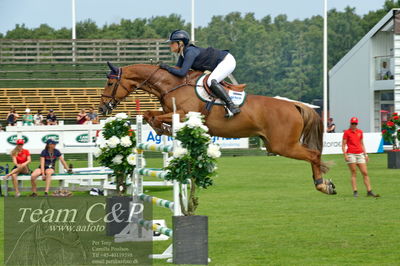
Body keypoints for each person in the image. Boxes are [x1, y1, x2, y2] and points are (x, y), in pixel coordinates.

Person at [159, 29, 240, 117]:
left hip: (226, 61)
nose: (170, 45)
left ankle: (232, 106)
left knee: (211, 81)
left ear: (180, 43)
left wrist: (167, 67)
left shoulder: (190, 52)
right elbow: (176, 69)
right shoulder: (183, 54)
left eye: (172, 43)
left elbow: (182, 72)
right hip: (219, 63)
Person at [342, 117, 380, 198]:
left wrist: (365, 154)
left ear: (357, 124)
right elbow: (343, 144)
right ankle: (355, 191)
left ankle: (369, 191)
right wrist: (345, 154)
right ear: (350, 123)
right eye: (353, 123)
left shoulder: (360, 132)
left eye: (355, 124)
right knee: (354, 173)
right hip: (351, 154)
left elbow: (362, 143)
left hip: (360, 154)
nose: (354, 125)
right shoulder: (347, 132)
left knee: (365, 173)